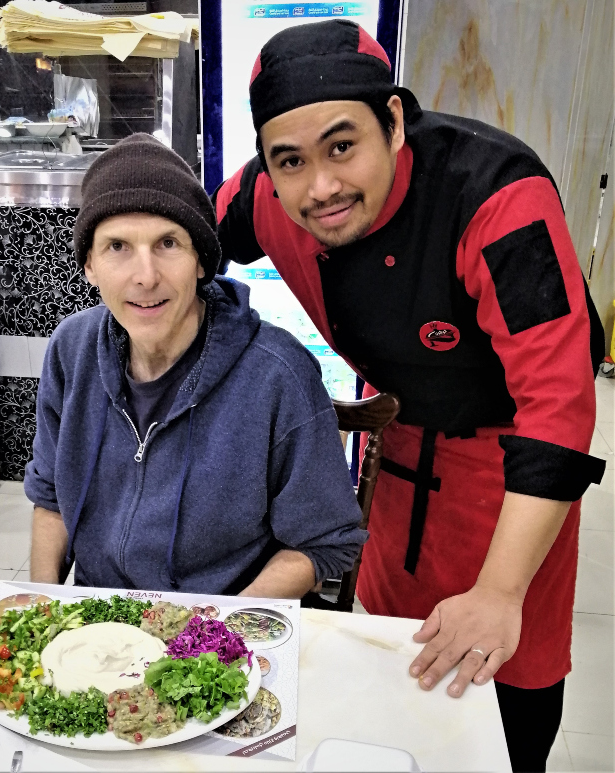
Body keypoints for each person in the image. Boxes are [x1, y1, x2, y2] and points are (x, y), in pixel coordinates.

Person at [212, 19, 606, 772]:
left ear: (394, 121)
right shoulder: (264, 197)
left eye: (342, 146)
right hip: (397, 456)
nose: (320, 186)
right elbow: (185, 236)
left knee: (506, 682)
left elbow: (560, 408)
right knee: (391, 668)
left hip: (510, 473)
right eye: (289, 160)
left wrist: (499, 589)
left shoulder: (495, 197)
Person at [24, 132, 366, 599]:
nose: (145, 276)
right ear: (89, 265)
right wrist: (43, 609)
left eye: (167, 243)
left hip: (221, 632)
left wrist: (212, 637)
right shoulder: (72, 349)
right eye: (117, 247)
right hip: (100, 622)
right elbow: (51, 500)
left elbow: (324, 543)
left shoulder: (278, 374)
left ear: (202, 262)